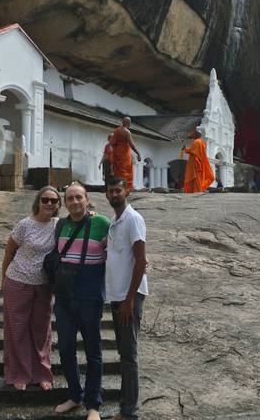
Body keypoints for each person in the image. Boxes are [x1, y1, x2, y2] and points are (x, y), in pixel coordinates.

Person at [54, 181, 111, 419]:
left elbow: (118, 250)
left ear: (87, 199)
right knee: (66, 348)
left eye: (79, 197)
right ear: (65, 203)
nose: (75, 202)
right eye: (70, 198)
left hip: (89, 293)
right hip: (65, 295)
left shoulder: (102, 223)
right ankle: (75, 395)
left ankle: (93, 404)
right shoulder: (60, 226)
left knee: (93, 350)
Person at [1, 185, 61, 391]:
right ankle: (19, 373)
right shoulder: (24, 225)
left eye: (54, 201)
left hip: (43, 285)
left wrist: (91, 212)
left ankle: (42, 373)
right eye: (45, 199)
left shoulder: (58, 225)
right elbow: (9, 253)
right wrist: (3, 281)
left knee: (41, 331)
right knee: (17, 329)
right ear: (38, 201)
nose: (49, 204)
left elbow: (80, 220)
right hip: (17, 280)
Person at [105, 177, 148, 420]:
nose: (114, 194)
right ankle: (126, 408)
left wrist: (130, 300)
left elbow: (141, 260)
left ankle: (130, 413)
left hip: (129, 296)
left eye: (118, 190)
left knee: (129, 354)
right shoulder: (115, 221)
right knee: (124, 352)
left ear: (126, 191)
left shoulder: (133, 219)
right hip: (118, 294)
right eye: (110, 191)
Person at [110, 117, 141, 191]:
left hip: (117, 153)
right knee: (127, 171)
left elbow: (112, 143)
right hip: (125, 154)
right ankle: (127, 187)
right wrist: (138, 153)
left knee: (118, 171)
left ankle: (119, 186)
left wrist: (116, 149)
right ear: (128, 123)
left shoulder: (116, 130)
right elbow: (131, 144)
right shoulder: (127, 132)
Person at [182, 128, 215, 193]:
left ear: (197, 135)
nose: (193, 136)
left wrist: (185, 148)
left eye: (194, 135)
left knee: (195, 176)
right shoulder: (202, 142)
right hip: (199, 161)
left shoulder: (196, 142)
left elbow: (192, 151)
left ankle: (195, 190)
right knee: (197, 176)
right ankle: (196, 189)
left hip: (194, 161)